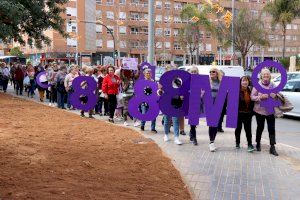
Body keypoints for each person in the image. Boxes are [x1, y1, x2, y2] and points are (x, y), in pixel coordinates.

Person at [251, 68, 279, 156]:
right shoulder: (257, 85)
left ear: (270, 76)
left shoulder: (273, 85)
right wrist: (260, 97)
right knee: (260, 127)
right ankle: (258, 143)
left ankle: (272, 146)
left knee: (271, 128)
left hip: (270, 110)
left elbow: (278, 95)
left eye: (267, 74)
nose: (266, 76)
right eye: (264, 74)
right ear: (261, 76)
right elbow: (252, 97)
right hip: (259, 111)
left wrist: (275, 96)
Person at [235, 76, 254, 152]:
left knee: (248, 130)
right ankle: (237, 143)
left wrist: (251, 112)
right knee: (238, 129)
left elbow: (252, 102)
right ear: (240, 82)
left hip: (248, 114)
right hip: (239, 113)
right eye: (243, 81)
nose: (245, 82)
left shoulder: (250, 90)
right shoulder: (237, 91)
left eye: (246, 81)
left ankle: (250, 144)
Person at [207, 67, 223, 152]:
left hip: (218, 104)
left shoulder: (221, 83)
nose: (211, 73)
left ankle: (213, 140)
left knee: (216, 124)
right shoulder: (207, 82)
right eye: (210, 72)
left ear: (217, 73)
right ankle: (211, 142)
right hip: (210, 104)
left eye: (213, 72)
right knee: (211, 123)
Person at [140, 68, 157, 133]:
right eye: (147, 73)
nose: (148, 74)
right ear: (144, 74)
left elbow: (156, 91)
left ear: (151, 74)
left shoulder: (154, 82)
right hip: (144, 101)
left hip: (152, 101)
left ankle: (153, 128)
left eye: (149, 73)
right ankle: (142, 126)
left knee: (153, 114)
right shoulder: (142, 82)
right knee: (144, 113)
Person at [188, 66, 200, 146]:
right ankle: (194, 137)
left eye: (195, 71)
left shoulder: (200, 81)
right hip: (189, 102)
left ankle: (191, 132)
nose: (193, 73)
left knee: (194, 121)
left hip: (197, 102)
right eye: (192, 72)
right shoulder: (187, 81)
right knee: (192, 121)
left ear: (197, 73)